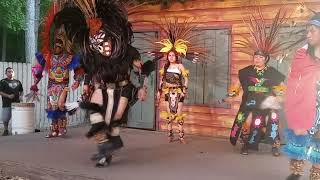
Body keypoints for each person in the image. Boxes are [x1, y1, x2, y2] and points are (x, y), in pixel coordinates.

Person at [56, 0, 153, 167]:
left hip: (123, 88)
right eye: (99, 45)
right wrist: (84, 83)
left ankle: (111, 144)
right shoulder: (93, 55)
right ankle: (104, 149)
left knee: (113, 119)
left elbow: (142, 70)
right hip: (101, 88)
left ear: (112, 35)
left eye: (105, 42)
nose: (104, 47)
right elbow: (88, 70)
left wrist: (143, 87)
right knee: (96, 118)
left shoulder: (127, 51)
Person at [228, 7, 294, 156]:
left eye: (260, 57)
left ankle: (274, 145)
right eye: (255, 57)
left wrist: (282, 95)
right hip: (250, 102)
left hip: (267, 102)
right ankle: (246, 145)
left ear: (266, 59)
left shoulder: (272, 72)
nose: (256, 59)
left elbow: (282, 87)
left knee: (273, 121)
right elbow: (237, 85)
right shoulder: (245, 71)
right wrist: (231, 94)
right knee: (247, 121)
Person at [26, 3, 84, 138]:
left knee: (61, 104)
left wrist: (77, 81)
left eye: (60, 43)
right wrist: (35, 83)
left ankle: (63, 125)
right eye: (55, 44)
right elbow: (39, 70)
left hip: (63, 85)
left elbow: (79, 70)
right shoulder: (47, 56)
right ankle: (54, 130)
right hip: (51, 86)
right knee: (52, 106)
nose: (57, 46)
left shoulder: (70, 57)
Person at [283, 13, 320, 180]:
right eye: (307, 30)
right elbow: (293, 79)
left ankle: (316, 174)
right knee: (298, 140)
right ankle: (296, 173)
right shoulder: (302, 54)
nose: (308, 34)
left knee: (318, 144)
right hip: (304, 104)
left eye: (312, 30)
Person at [0, 67, 23, 136]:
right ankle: (6, 130)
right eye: (9, 72)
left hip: (17, 103)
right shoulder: (3, 81)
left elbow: (21, 90)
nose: (11, 73)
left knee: (17, 117)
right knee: (6, 118)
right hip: (7, 103)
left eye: (12, 71)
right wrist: (8, 96)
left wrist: (21, 96)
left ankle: (16, 130)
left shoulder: (18, 82)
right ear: (6, 73)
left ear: (14, 73)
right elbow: (0, 92)